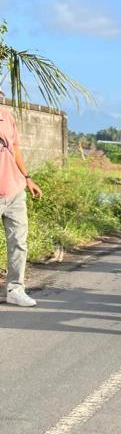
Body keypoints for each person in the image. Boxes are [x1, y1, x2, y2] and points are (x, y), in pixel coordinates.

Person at [1, 91, 45, 307]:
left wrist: (27, 177)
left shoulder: (7, 116)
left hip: (15, 189)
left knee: (19, 241)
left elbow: (15, 148)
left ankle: (15, 289)